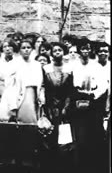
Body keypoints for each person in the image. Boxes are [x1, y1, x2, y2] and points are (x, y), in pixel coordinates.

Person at [69, 38, 108, 172]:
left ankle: (91, 166)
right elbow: (70, 84)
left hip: (93, 104)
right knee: (79, 136)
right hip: (77, 103)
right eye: (83, 48)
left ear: (91, 50)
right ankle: (77, 165)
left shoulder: (95, 66)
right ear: (79, 50)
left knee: (92, 136)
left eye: (88, 48)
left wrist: (94, 94)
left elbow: (103, 85)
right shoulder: (73, 65)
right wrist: (78, 92)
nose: (85, 51)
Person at [41, 42, 75, 173]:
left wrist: (66, 106)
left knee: (65, 138)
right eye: (54, 50)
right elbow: (45, 88)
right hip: (50, 106)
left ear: (64, 52)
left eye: (59, 50)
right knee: (50, 137)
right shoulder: (46, 69)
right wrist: (46, 105)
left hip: (65, 106)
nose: (57, 53)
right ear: (51, 53)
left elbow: (70, 90)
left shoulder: (69, 69)